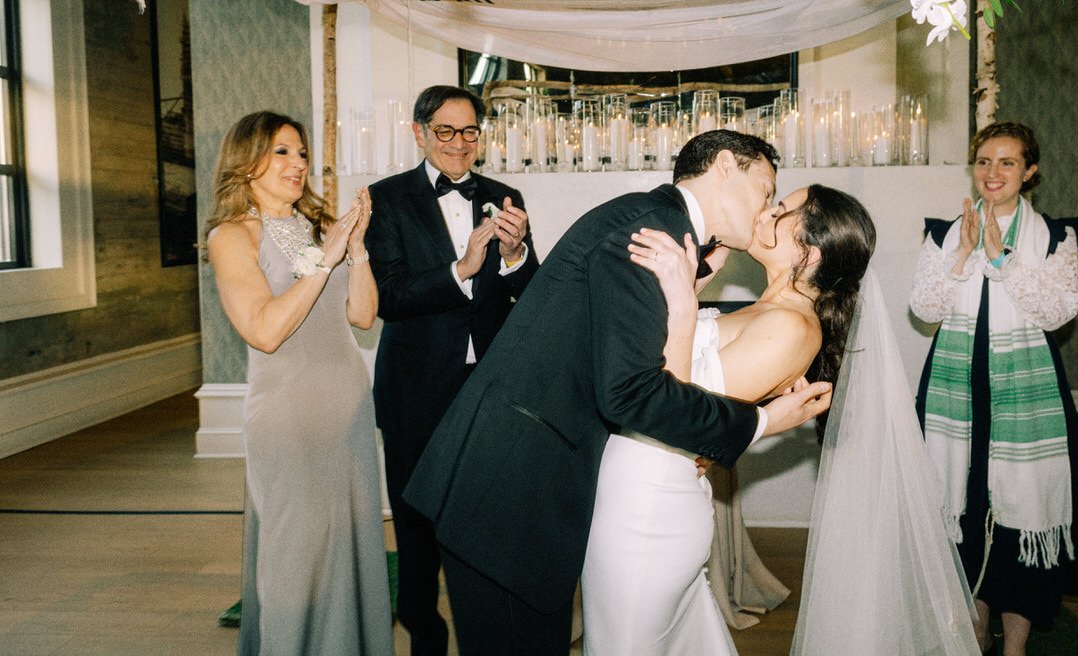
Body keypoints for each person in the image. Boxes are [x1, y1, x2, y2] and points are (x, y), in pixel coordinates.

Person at [404, 130, 834, 656]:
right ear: (726, 166)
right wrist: (762, 422)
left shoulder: (656, 226)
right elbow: (631, 392)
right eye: (766, 191)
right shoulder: (650, 231)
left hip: (531, 480)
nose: (766, 208)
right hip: (513, 490)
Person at [582, 184, 875, 655]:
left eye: (781, 209)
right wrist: (694, 287)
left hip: (651, 508)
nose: (765, 212)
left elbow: (678, 413)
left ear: (810, 251)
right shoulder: (770, 310)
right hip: (638, 486)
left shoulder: (792, 327)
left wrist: (683, 303)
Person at [911, 121, 1078, 656]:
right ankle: (975, 628)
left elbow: (1059, 311)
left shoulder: (1057, 237)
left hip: (1025, 392)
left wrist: (1002, 261)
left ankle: (1015, 645)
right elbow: (924, 307)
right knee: (963, 512)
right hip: (957, 388)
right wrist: (962, 255)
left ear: (1029, 171)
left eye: (1007, 162)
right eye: (984, 162)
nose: (992, 173)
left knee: (1022, 518)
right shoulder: (945, 232)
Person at [204, 111, 393, 656]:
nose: (298, 164)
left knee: (351, 546)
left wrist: (355, 248)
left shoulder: (318, 228)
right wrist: (325, 261)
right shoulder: (232, 236)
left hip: (348, 409)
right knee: (296, 554)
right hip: (289, 416)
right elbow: (264, 331)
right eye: (282, 151)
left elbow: (362, 315)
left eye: (302, 153)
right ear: (247, 162)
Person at [364, 85, 538, 656]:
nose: (459, 143)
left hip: (486, 390)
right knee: (416, 530)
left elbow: (531, 291)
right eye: (445, 130)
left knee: (485, 525)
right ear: (419, 133)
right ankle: (426, 639)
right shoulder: (386, 199)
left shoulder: (505, 195)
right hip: (414, 390)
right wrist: (460, 269)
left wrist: (513, 256)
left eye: (469, 131)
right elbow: (388, 297)